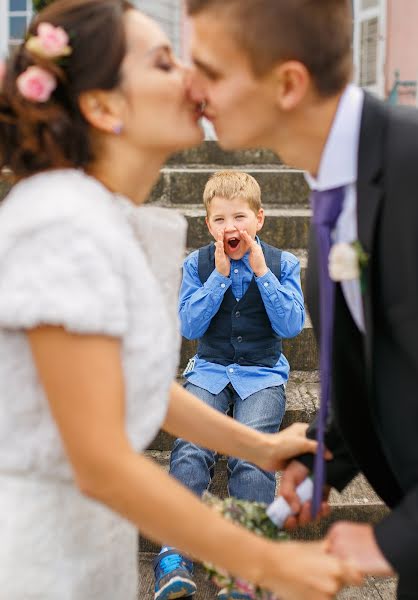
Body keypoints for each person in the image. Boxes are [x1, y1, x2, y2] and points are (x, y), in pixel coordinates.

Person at [0, 1, 362, 599]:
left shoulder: (100, 216)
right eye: (165, 62)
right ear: (102, 106)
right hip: (41, 559)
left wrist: (263, 445)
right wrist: (266, 563)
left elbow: (135, 385)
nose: (194, 77)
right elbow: (102, 461)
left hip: (87, 546)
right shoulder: (61, 226)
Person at [185, 0, 418, 598]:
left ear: (287, 83)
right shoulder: (335, 181)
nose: (193, 87)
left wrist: (392, 541)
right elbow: (381, 362)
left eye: (210, 69)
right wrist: (323, 463)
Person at [153, 170, 305, 599]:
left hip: (260, 374)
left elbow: (292, 326)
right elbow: (188, 324)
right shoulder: (198, 264)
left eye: (239, 217)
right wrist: (219, 277)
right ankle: (173, 552)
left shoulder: (283, 263)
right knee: (190, 447)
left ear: (259, 219)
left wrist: (260, 273)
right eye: (219, 220)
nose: (230, 227)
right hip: (209, 369)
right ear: (208, 225)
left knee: (252, 450)